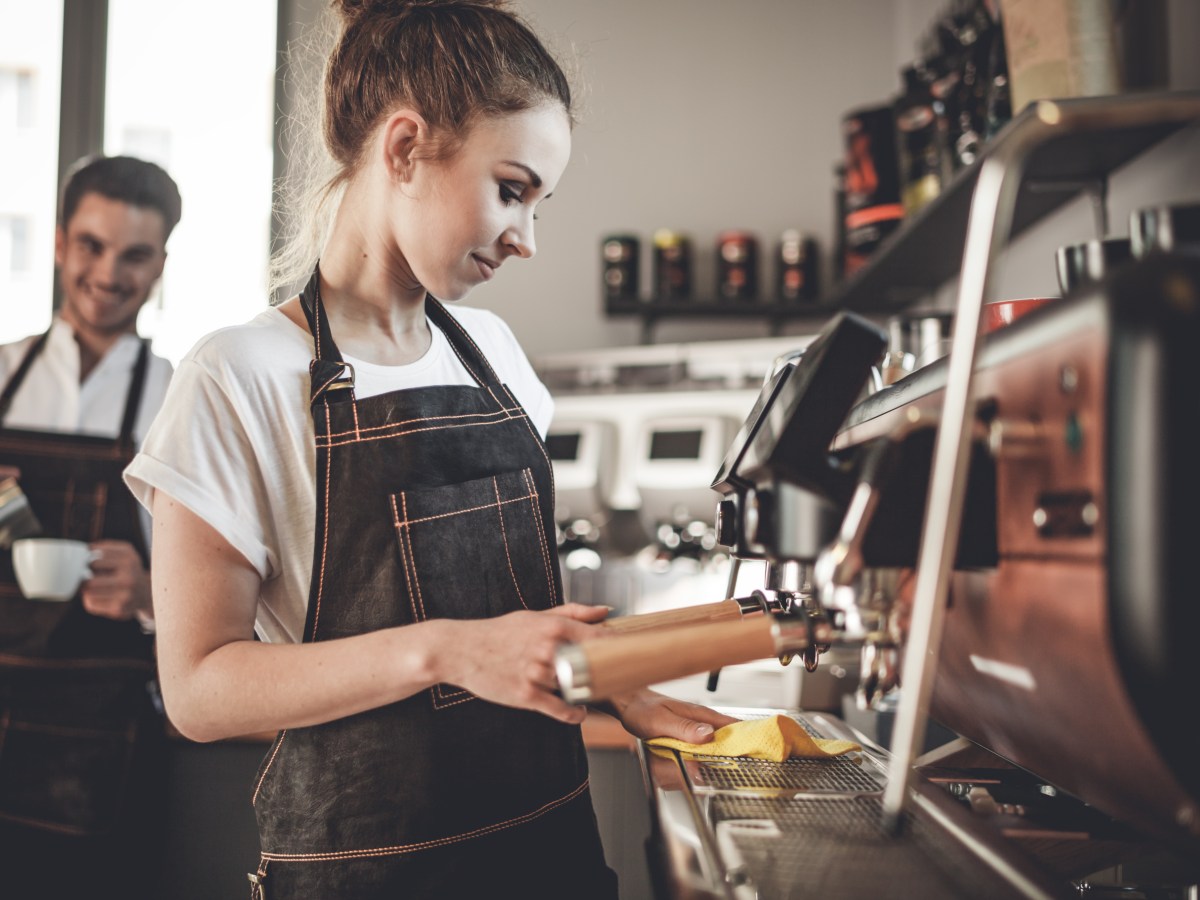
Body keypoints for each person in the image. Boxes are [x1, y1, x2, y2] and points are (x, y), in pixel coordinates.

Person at [124, 1, 736, 897]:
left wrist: (610, 677)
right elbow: (199, 689)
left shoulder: (497, 359)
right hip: (367, 872)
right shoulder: (240, 376)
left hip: (551, 854)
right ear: (405, 149)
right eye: (513, 189)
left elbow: (521, 620)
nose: (527, 238)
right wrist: (447, 650)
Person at [0, 154, 181, 897]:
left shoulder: (179, 398)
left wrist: (151, 594)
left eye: (135, 254)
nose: (109, 273)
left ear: (161, 263)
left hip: (106, 737)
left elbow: (242, 579)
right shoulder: (1, 373)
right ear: (58, 244)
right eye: (91, 246)